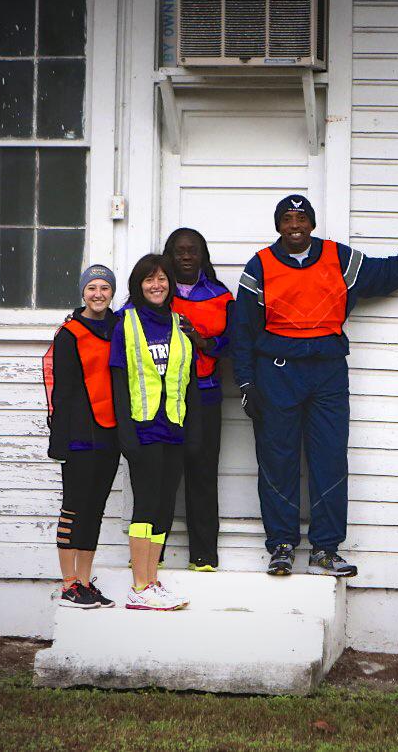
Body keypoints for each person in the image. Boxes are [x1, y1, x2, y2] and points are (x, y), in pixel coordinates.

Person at [233, 195, 398, 577]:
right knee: (277, 459)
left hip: (328, 372)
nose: (295, 225)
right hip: (277, 371)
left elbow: (386, 274)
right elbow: (242, 329)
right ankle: (282, 546)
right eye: (287, 219)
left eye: (302, 218)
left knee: (330, 458)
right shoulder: (261, 265)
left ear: (313, 224)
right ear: (278, 226)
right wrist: (246, 381)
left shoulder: (338, 258)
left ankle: (325, 549)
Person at [110, 254, 202, 610]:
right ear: (139, 285)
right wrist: (125, 432)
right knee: (145, 506)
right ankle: (139, 585)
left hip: (173, 429)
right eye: (149, 279)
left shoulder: (180, 324)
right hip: (143, 429)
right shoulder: (127, 324)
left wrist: (192, 431)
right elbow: (119, 379)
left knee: (163, 508)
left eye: (162, 278)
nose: (156, 285)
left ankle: (152, 580)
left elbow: (189, 380)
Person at [43, 264, 121, 608]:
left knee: (95, 509)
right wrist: (57, 439)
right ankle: (68, 583)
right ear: (83, 292)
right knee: (74, 508)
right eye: (92, 288)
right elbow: (61, 391)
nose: (99, 294)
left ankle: (86, 582)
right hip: (78, 435)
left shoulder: (120, 328)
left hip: (109, 433)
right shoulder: (69, 334)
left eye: (105, 287)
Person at [162, 228, 234, 572]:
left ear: (203, 256)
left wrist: (203, 342)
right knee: (160, 476)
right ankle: (151, 556)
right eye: (179, 251)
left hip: (205, 395)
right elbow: (126, 328)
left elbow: (235, 341)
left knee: (202, 474)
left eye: (193, 251)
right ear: (169, 256)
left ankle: (203, 556)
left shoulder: (220, 296)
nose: (186, 256)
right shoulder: (155, 290)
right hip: (163, 398)